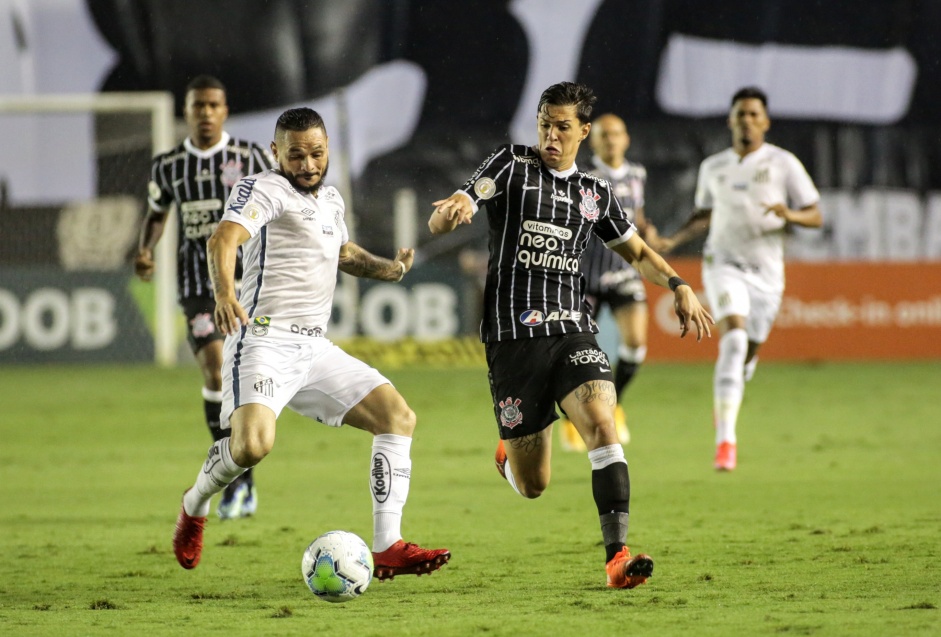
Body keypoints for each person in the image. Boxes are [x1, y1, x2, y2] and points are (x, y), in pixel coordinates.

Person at [428, 82, 713, 589]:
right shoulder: (511, 165)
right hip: (512, 338)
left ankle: (617, 557)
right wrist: (453, 209)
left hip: (572, 329)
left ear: (583, 131)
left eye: (562, 126)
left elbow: (639, 253)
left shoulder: (595, 194)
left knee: (602, 424)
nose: (551, 135)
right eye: (544, 123)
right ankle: (509, 456)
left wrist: (679, 283)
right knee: (534, 485)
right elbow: (457, 204)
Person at [171, 107, 451, 581]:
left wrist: (392, 269)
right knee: (253, 447)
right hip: (262, 341)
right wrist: (223, 292)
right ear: (276, 152)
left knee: (397, 417)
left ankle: (387, 546)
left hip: (314, 348)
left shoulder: (332, 201)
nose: (307, 164)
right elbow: (223, 239)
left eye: (316, 153)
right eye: (296, 154)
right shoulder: (264, 189)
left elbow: (343, 253)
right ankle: (194, 504)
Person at [658, 86, 822, 471]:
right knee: (732, 340)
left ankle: (732, 389)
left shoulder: (784, 164)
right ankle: (725, 441)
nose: (747, 120)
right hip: (723, 264)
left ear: (764, 121)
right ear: (730, 120)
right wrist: (673, 239)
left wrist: (790, 215)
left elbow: (815, 214)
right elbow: (705, 214)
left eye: (754, 114)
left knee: (747, 351)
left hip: (767, 273)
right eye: (741, 114)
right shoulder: (713, 167)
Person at [135, 75, 274, 519]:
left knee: (245, 381)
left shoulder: (250, 157)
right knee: (216, 372)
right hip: (198, 288)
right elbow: (156, 214)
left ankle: (242, 475)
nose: (207, 113)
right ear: (187, 112)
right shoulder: (168, 166)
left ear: (225, 110)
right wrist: (145, 248)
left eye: (214, 105)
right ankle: (236, 479)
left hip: (249, 285)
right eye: (198, 106)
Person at [559, 113, 655, 451]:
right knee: (575, 354)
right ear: (592, 140)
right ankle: (573, 417)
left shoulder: (638, 174)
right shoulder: (582, 178)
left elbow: (637, 217)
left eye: (616, 133)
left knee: (635, 346)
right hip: (584, 277)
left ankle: (614, 405)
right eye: (604, 135)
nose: (611, 140)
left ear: (626, 138)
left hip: (625, 273)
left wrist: (649, 233)